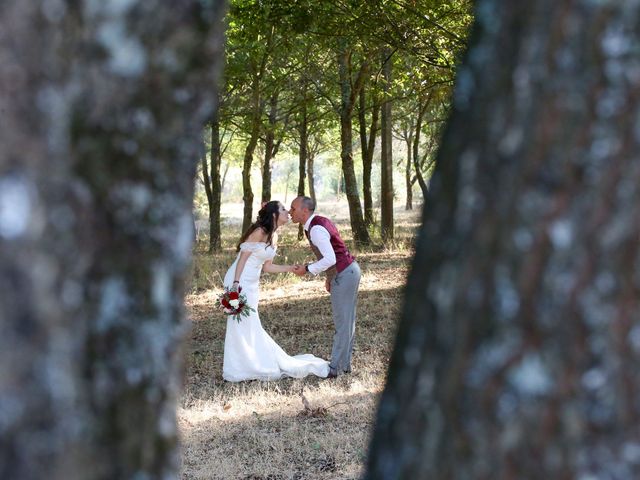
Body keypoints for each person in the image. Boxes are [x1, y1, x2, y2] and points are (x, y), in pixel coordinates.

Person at [222, 200, 329, 382]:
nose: (288, 212)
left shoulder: (274, 236)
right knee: (244, 323)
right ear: (273, 215)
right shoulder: (259, 232)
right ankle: (243, 367)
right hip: (239, 280)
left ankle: (250, 362)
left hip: (252, 283)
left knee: (248, 323)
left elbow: (267, 267)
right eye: (283, 209)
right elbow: (242, 260)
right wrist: (235, 286)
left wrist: (289, 268)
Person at [290, 196, 361, 378]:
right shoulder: (317, 223)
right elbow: (331, 255)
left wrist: (306, 269)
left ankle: (335, 368)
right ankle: (344, 366)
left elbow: (330, 258)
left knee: (343, 323)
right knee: (347, 322)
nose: (290, 212)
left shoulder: (316, 229)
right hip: (346, 272)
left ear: (305, 211)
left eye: (293, 209)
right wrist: (330, 277)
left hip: (345, 273)